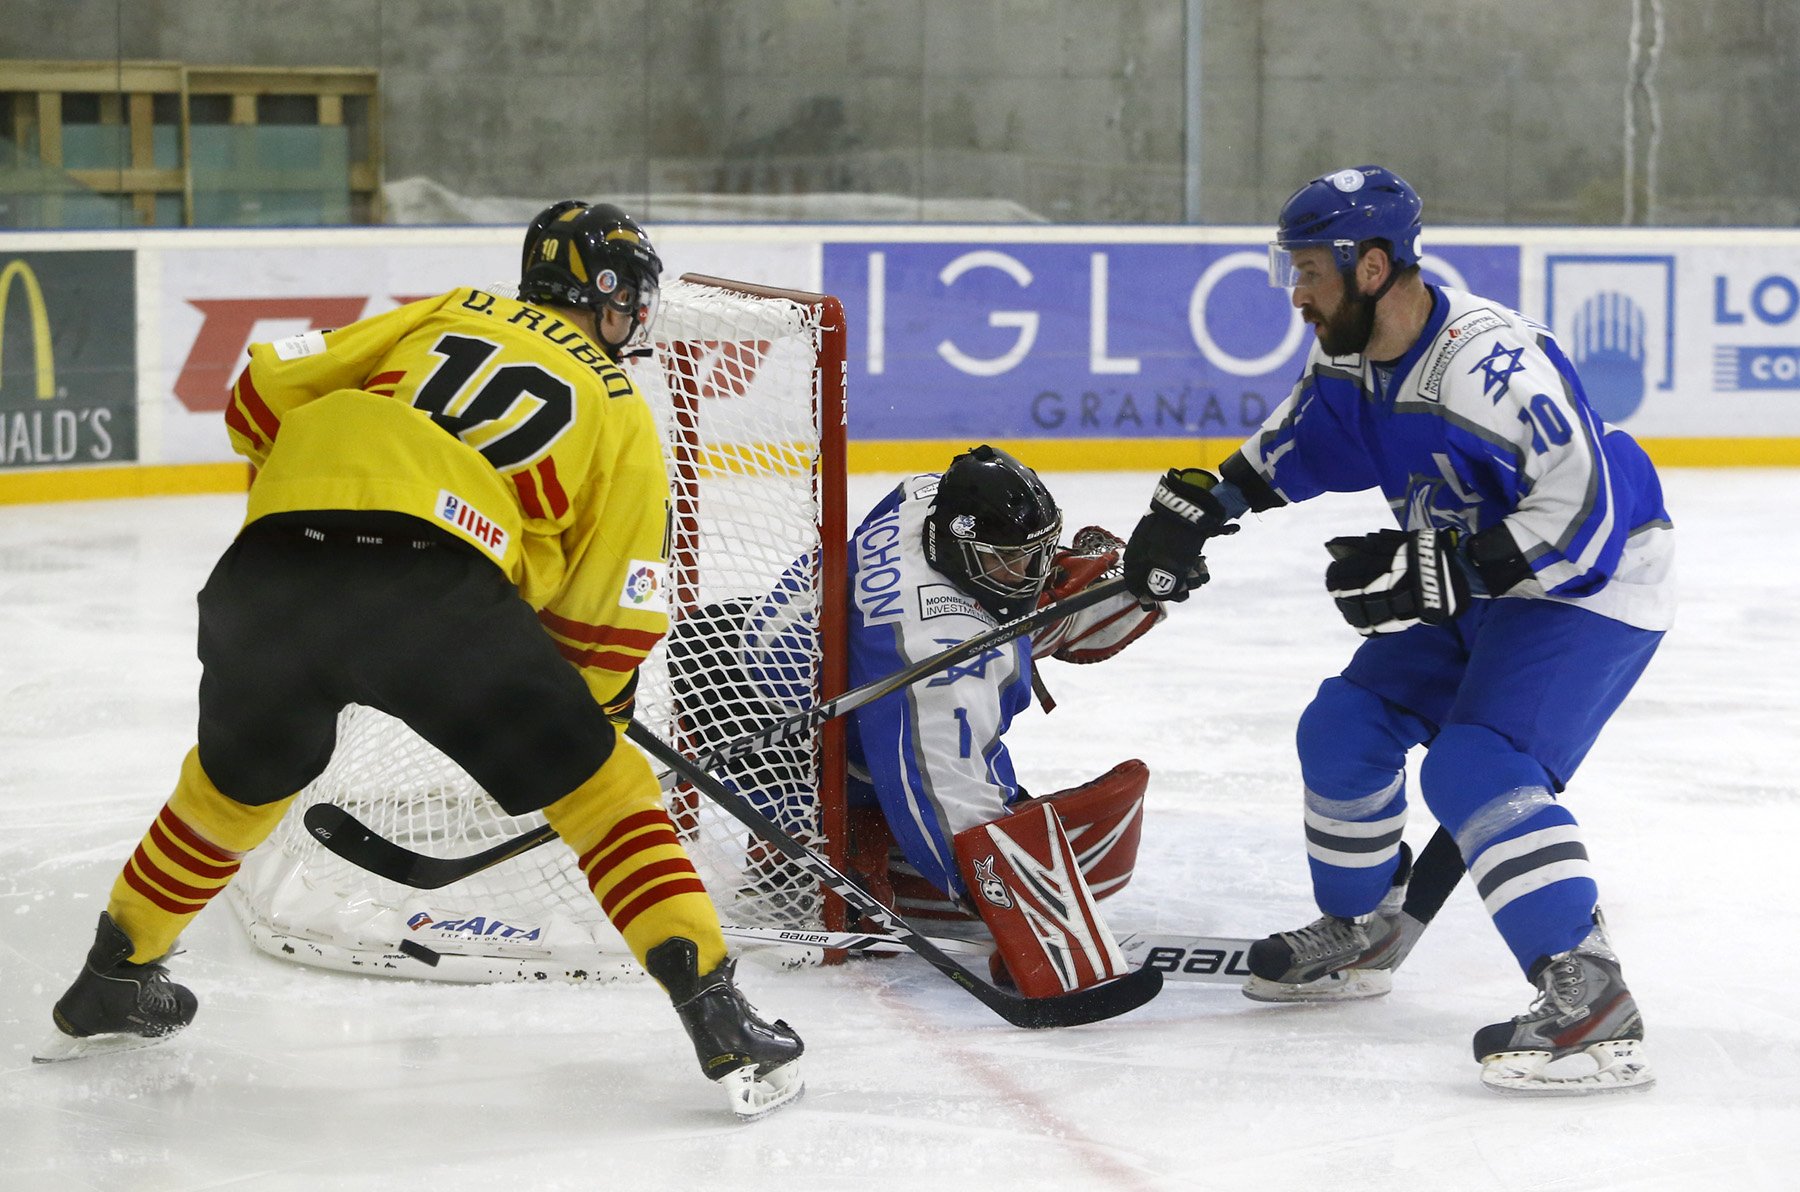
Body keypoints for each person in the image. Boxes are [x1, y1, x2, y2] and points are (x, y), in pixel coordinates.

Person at [38, 200, 805, 1119]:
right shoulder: (615, 405)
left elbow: (256, 395)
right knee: (604, 792)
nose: (636, 316)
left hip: (266, 569)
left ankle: (113, 973)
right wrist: (577, 730)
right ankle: (717, 1011)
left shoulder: (446, 309)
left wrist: (326, 494)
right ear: (603, 292)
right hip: (429, 586)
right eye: (632, 295)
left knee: (230, 788)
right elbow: (608, 623)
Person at [1119, 166, 1671, 1094]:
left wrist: (1451, 568)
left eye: (1308, 272)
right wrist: (1206, 503)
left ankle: (1591, 991)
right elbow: (1296, 446)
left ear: (1371, 267)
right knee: (1342, 729)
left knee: (1474, 765)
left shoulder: (1491, 366)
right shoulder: (1349, 356)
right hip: (1477, 581)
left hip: (1591, 582)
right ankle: (1368, 928)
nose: (1295, 293)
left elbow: (1590, 512)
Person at [670, 445, 1167, 997]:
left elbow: (997, 611)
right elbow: (940, 788)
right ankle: (817, 856)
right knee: (927, 805)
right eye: (1011, 559)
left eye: (1034, 553)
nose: (1029, 572)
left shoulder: (924, 494)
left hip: (732, 653)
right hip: (770, 733)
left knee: (978, 640)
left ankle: (833, 842)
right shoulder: (929, 650)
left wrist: (1135, 585)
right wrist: (1015, 906)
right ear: (957, 547)